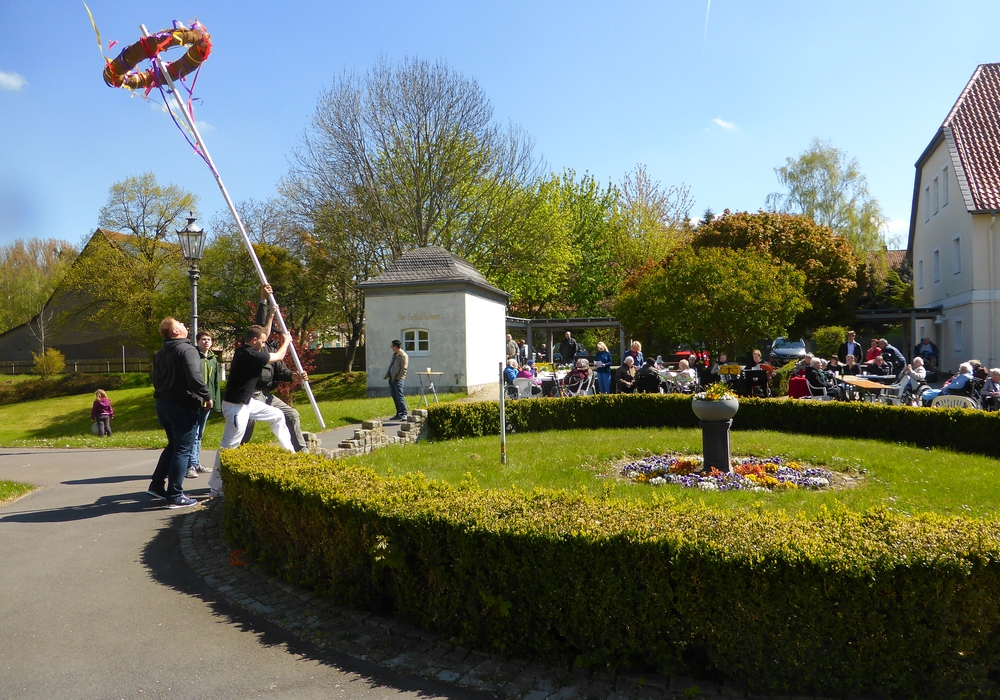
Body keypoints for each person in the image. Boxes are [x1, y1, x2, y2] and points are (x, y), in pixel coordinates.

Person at [208, 320, 295, 498]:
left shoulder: (249, 349)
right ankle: (216, 488)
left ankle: (291, 454)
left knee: (278, 415)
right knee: (229, 446)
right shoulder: (248, 354)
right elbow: (278, 356)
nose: (264, 345)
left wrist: (270, 316)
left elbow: (265, 333)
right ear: (254, 340)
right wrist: (287, 341)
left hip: (247, 403)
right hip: (236, 407)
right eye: (262, 342)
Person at [148, 317, 211, 509]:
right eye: (181, 325)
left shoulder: (159, 354)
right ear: (175, 332)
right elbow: (194, 377)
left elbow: (155, 378)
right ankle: (175, 495)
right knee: (183, 449)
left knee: (174, 445)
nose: (185, 326)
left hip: (163, 404)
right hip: (183, 406)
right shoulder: (187, 349)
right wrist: (206, 395)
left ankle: (157, 485)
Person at [240, 289, 310, 453]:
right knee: (246, 425)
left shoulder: (271, 348)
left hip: (265, 394)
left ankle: (302, 451)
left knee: (292, 415)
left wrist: (297, 376)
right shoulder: (255, 348)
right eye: (272, 334)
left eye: (276, 334)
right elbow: (259, 327)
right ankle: (235, 453)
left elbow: (283, 372)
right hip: (251, 394)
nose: (273, 336)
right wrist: (263, 302)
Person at [187, 330, 221, 476]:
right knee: (193, 434)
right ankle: (191, 465)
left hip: (208, 402)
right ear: (198, 341)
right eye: (203, 339)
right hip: (195, 401)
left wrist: (216, 403)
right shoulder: (193, 356)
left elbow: (215, 382)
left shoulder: (213, 359)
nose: (206, 341)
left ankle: (196, 462)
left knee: (200, 434)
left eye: (209, 339)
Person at [385, 339, 409, 420]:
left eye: (392, 346)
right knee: (394, 396)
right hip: (392, 378)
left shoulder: (403, 355)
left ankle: (404, 413)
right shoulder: (395, 355)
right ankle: (399, 413)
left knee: (399, 396)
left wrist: (398, 377)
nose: (391, 347)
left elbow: (404, 369)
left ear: (395, 346)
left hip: (398, 379)